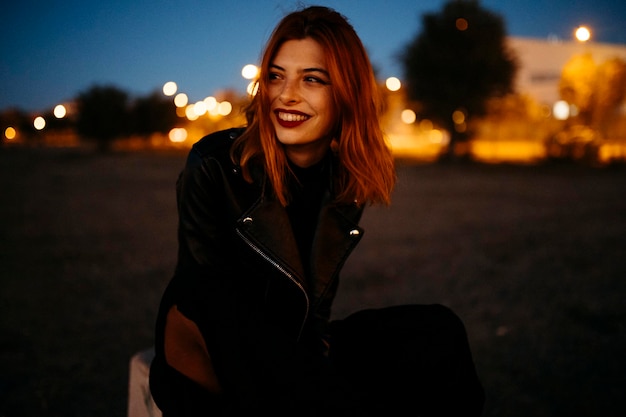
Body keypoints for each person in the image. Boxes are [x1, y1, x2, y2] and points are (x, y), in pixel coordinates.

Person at [149, 5, 484, 416]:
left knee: (437, 328)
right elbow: (208, 304)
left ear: (346, 93)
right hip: (214, 363)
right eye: (276, 76)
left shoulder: (345, 182)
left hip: (292, 351)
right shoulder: (216, 163)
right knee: (205, 294)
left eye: (312, 79)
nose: (286, 95)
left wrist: (320, 353)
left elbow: (316, 303)